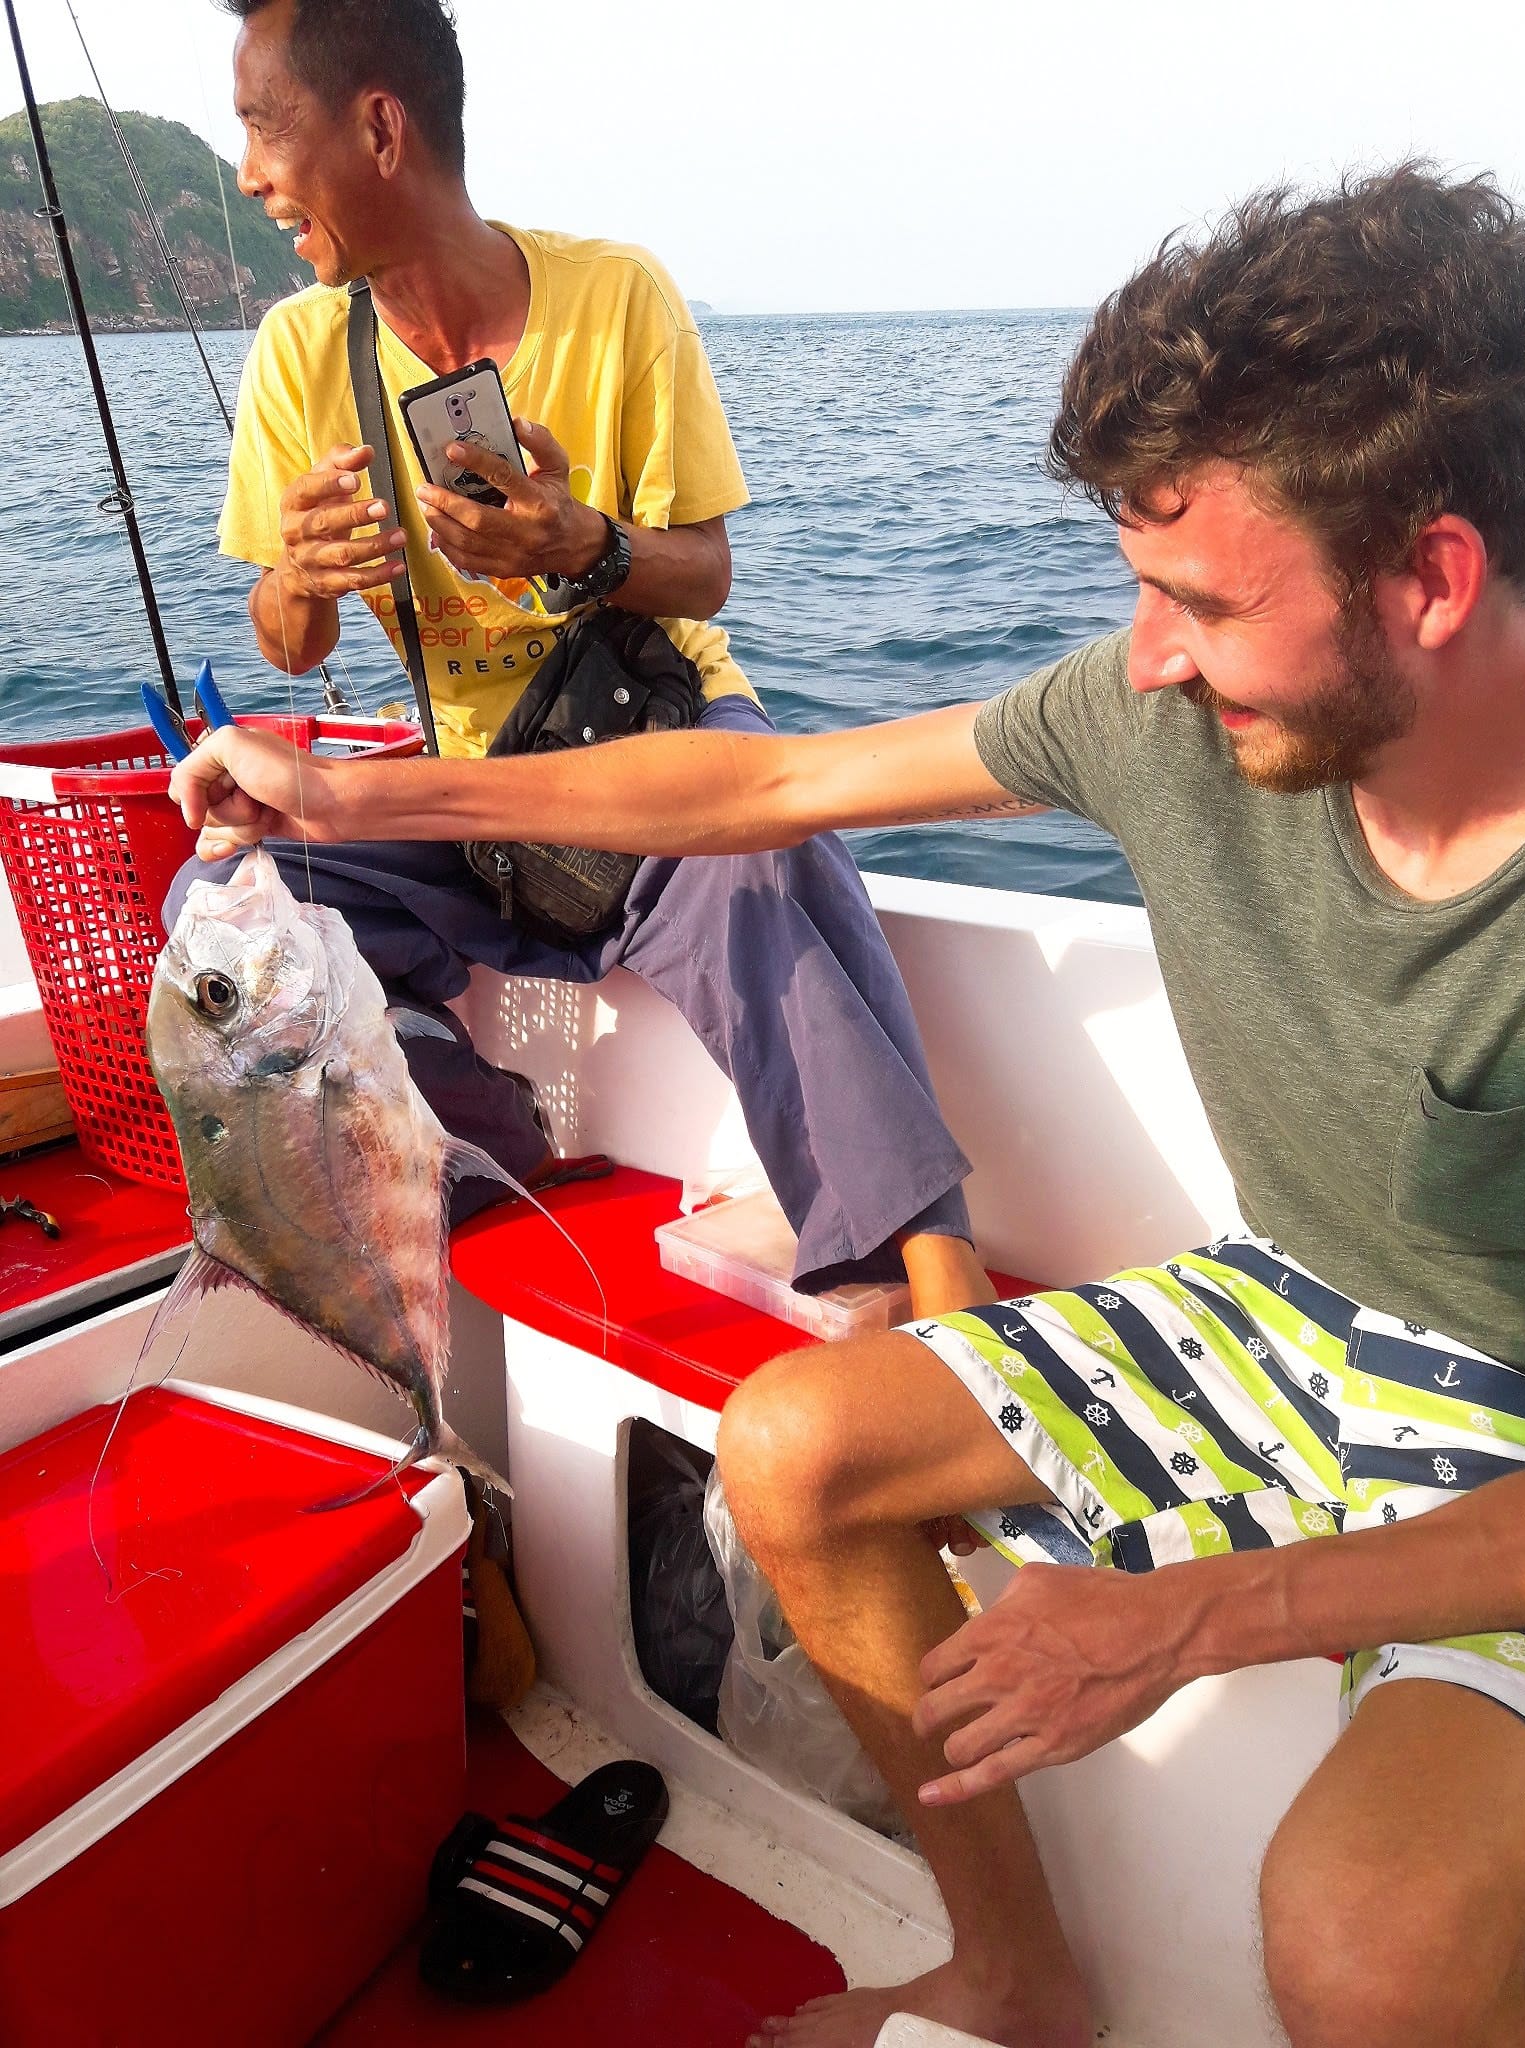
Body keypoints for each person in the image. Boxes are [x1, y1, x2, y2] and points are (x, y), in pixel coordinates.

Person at [174, 165, 1525, 2048]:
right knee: (799, 1449)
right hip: (1279, 1306)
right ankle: (1015, 1976)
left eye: (1195, 603)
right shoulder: (1171, 717)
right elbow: (765, 786)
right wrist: (357, 803)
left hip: (1511, 1447)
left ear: (1432, 581)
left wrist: (1201, 1617)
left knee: (1362, 1948)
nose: (1141, 658)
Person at [181, 0, 990, 1317]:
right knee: (229, 910)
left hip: (658, 742)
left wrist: (584, 544)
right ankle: (488, 1144)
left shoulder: (618, 296)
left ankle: (932, 1281)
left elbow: (707, 570)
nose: (252, 174)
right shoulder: (298, 352)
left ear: (380, 126)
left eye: (265, 129)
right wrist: (301, 576)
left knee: (763, 845)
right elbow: (287, 639)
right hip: (474, 798)